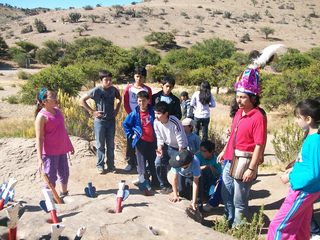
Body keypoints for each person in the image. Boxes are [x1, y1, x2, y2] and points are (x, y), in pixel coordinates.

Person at [218, 68, 267, 228]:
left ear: (252, 98)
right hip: (230, 157)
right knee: (226, 191)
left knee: (240, 197)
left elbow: (259, 144)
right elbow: (233, 134)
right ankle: (228, 218)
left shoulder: (258, 116)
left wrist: (252, 169)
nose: (238, 100)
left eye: (243, 97)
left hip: (245, 161)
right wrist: (224, 150)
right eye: (237, 96)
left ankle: (238, 228)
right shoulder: (239, 112)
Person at [268, 98, 320, 240]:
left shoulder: (314, 141)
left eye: (298, 117)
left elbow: (314, 173)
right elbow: (306, 164)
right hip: (307, 190)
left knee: (278, 226)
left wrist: (290, 177)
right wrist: (293, 170)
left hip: (303, 191)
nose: (296, 121)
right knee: (301, 226)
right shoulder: (312, 138)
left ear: (308, 119)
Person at [80, 70, 121, 174]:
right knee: (100, 144)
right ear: (101, 80)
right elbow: (82, 100)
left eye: (110, 80)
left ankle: (111, 166)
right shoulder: (96, 90)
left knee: (111, 144)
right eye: (106, 80)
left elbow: (120, 99)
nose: (108, 82)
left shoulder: (113, 90)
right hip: (100, 121)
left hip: (111, 121)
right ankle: (100, 165)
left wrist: (116, 110)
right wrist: (92, 112)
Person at [35, 88, 74, 196]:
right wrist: (39, 158)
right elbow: (39, 138)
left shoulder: (58, 111)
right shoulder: (41, 117)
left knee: (64, 173)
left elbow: (63, 130)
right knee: (51, 177)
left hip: (62, 149)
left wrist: (69, 144)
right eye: (52, 97)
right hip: (49, 152)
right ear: (44, 101)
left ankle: (64, 193)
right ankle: (50, 199)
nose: (56, 99)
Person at [122, 91, 158, 195]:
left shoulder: (152, 111)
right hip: (140, 142)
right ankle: (144, 184)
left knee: (153, 162)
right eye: (139, 101)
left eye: (144, 101)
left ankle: (155, 182)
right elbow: (126, 125)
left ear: (148, 101)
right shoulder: (134, 113)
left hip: (152, 141)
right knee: (141, 164)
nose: (141, 103)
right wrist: (131, 135)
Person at [153, 101, 188, 194]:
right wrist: (159, 148)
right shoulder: (156, 122)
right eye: (155, 113)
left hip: (179, 148)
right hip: (166, 146)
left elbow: (181, 140)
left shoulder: (175, 122)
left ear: (166, 113)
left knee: (178, 166)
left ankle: (179, 188)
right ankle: (164, 185)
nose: (156, 116)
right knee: (158, 162)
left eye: (159, 113)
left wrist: (181, 155)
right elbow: (159, 137)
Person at [123, 67, 152, 172]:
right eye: (137, 76)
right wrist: (132, 115)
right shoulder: (129, 88)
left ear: (144, 78)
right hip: (132, 118)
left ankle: (144, 162)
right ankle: (130, 162)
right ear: (134, 76)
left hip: (144, 119)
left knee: (144, 140)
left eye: (141, 77)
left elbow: (150, 104)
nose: (139, 79)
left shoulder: (147, 89)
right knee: (130, 140)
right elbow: (126, 103)